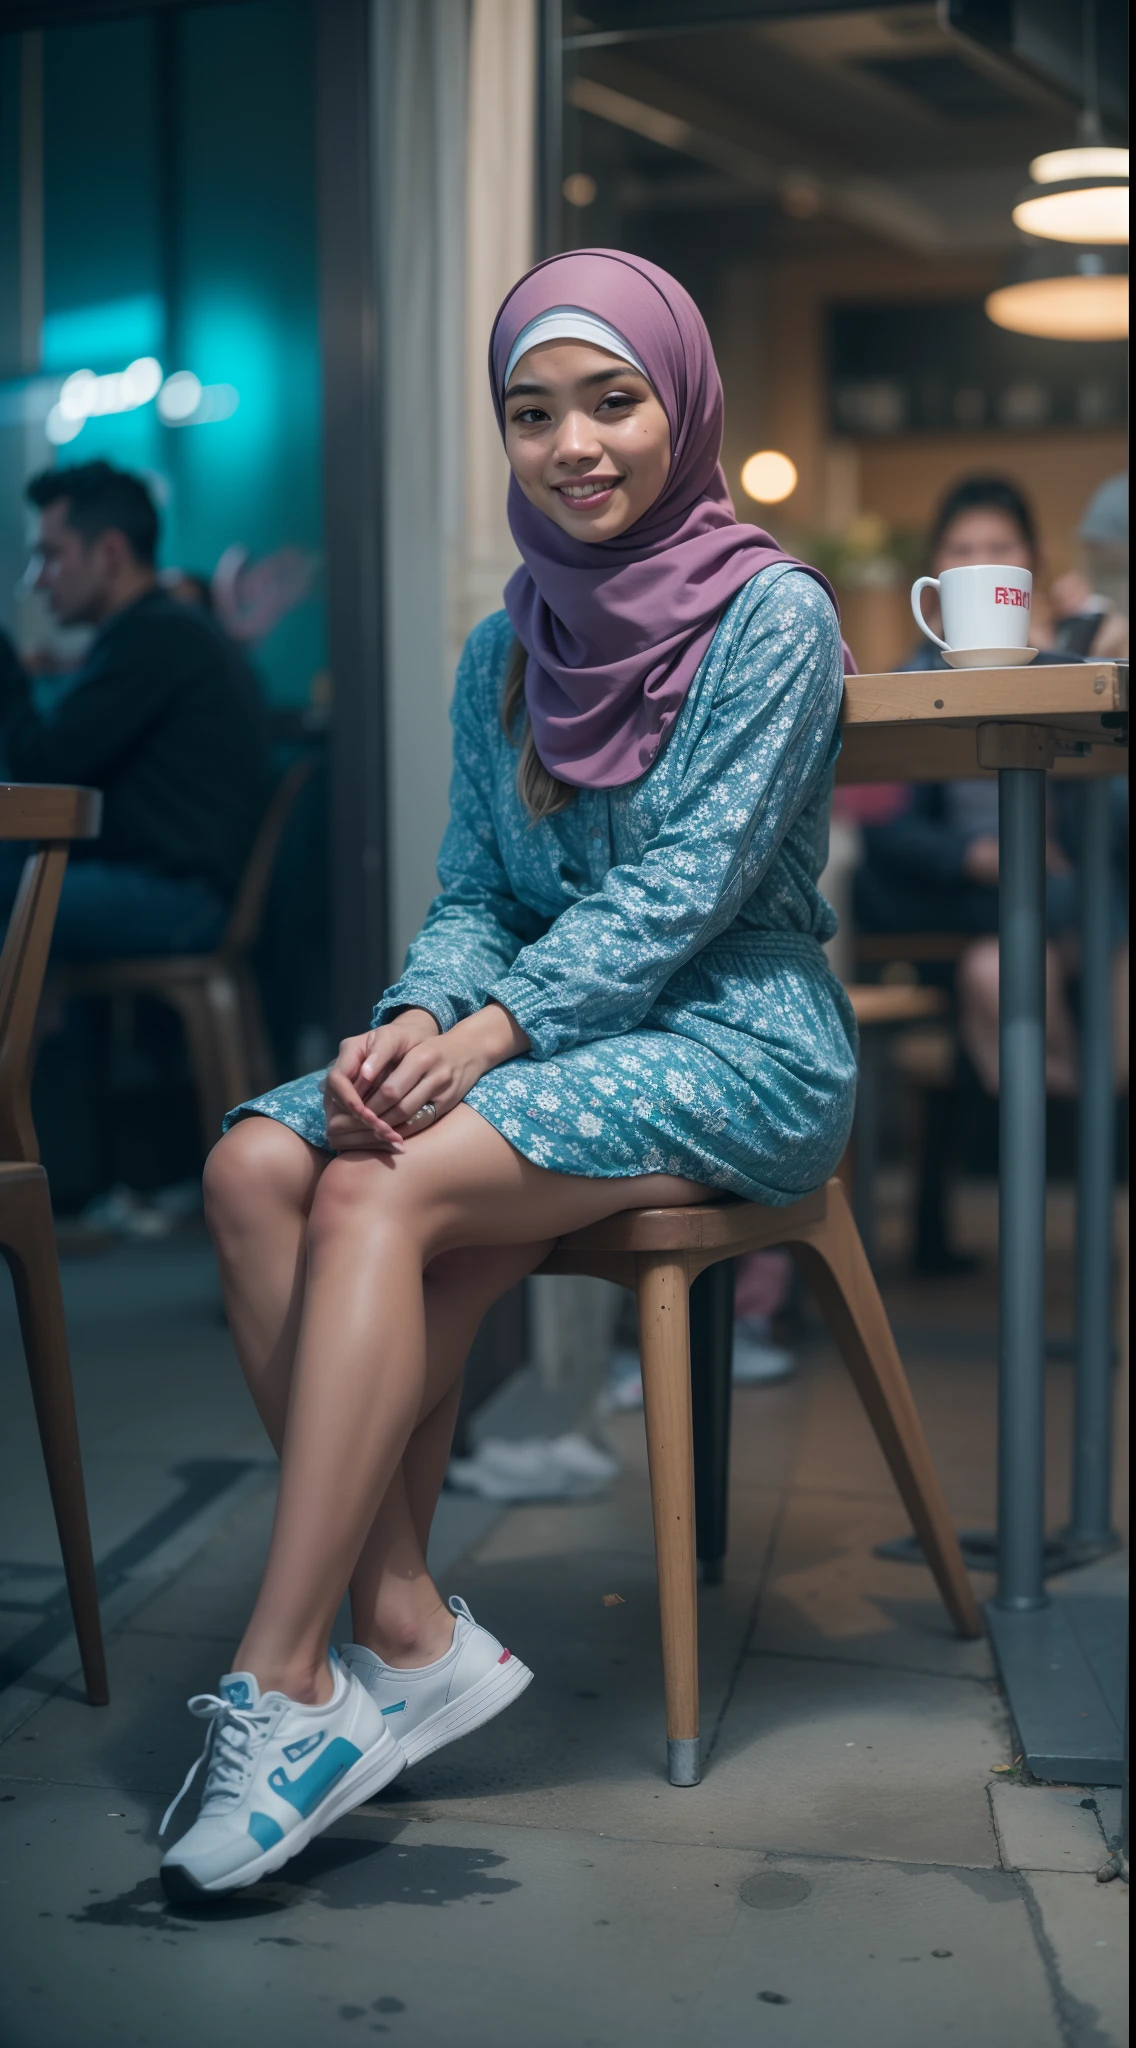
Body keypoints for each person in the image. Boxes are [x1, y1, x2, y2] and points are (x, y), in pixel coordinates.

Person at [156, 249, 857, 1899]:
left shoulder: (777, 615)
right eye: (531, 413)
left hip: (732, 1042)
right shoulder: (504, 651)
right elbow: (475, 890)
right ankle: (403, 1621)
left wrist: (491, 1034)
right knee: (254, 1164)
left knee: (380, 1179)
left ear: (679, 405)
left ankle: (286, 1678)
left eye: (611, 400)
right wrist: (419, 1013)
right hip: (549, 1047)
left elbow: (685, 891)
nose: (574, 443)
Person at [853, 475, 1083, 1096]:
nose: (980, 563)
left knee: (1008, 954)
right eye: (960, 550)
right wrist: (978, 857)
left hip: (1047, 887)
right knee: (1031, 925)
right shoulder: (909, 679)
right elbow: (880, 823)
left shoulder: (1069, 666)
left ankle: (1060, 1103)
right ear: (936, 572)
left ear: (1032, 564)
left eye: (999, 547)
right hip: (954, 893)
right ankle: (1069, 1106)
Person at [0, 462, 270, 960]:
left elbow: (43, 765)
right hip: (183, 888)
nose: (36, 580)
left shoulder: (153, 637)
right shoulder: (168, 630)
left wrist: (6, 669)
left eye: (50, 557)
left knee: (13, 885)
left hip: (181, 900)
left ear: (109, 554)